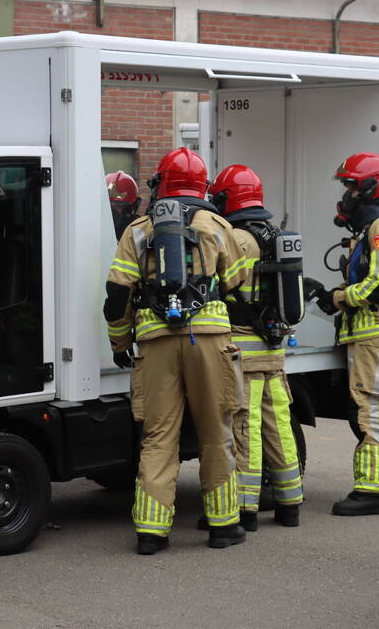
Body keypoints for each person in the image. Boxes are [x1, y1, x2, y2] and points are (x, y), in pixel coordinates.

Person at [104, 147, 250, 554]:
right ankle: (224, 526)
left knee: (158, 436)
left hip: (156, 344)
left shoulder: (138, 229)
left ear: (161, 184)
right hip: (210, 342)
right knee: (216, 432)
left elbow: (116, 295)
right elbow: (238, 283)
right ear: (202, 186)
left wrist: (120, 343)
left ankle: (151, 532)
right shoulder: (217, 224)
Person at [207, 164, 303, 530]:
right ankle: (290, 505)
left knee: (245, 429)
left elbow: (220, 286)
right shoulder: (273, 235)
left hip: (243, 351)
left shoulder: (235, 238)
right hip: (273, 351)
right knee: (279, 427)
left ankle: (245, 510)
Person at [314, 153, 379, 516]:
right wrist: (332, 296)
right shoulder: (372, 226)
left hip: (374, 331)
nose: (347, 195)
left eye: (351, 186)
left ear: (370, 187)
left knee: (368, 408)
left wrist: (338, 298)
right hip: (370, 332)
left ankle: (372, 490)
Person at [105, 171, 141, 240]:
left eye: (119, 206)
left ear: (130, 208)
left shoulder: (138, 231)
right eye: (110, 206)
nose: (113, 211)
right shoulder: (94, 228)